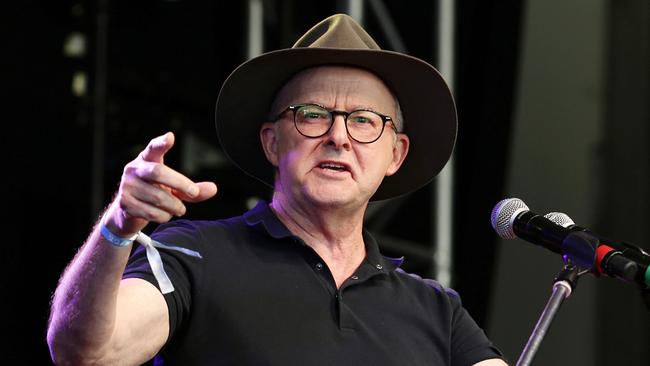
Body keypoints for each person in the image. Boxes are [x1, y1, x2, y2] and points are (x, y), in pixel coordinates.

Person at [47, 14, 507, 365]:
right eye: (312, 114)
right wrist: (118, 226)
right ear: (271, 142)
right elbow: (88, 353)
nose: (339, 136)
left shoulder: (436, 310)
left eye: (364, 120)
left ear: (395, 155)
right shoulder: (194, 256)